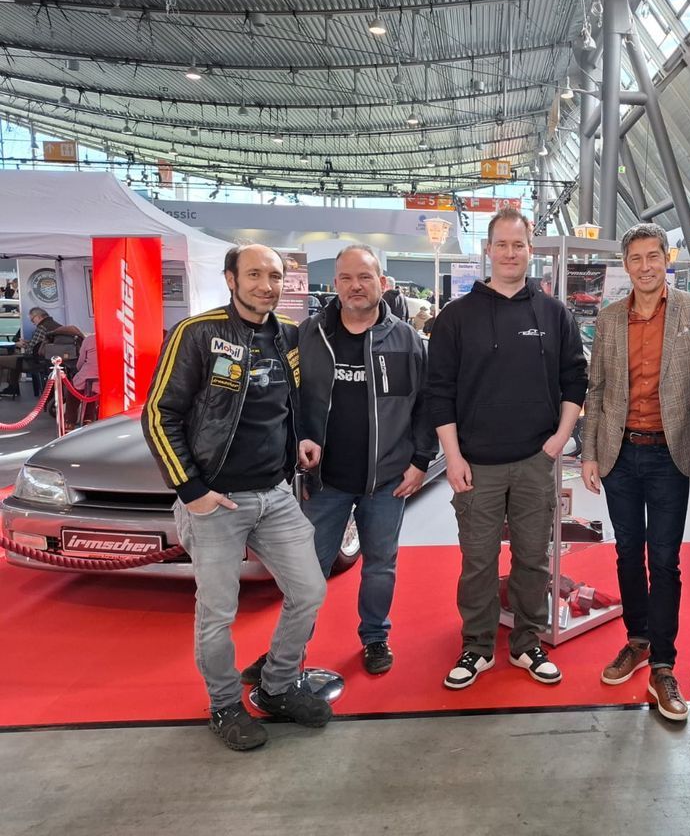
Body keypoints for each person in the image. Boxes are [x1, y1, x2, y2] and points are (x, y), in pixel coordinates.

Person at [143, 244, 330, 752]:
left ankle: (276, 686)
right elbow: (159, 414)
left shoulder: (287, 334)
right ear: (231, 279)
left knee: (309, 591)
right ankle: (224, 704)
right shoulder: (196, 333)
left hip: (275, 494)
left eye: (274, 276)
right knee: (218, 614)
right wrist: (192, 491)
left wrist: (301, 440)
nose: (266, 285)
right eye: (254, 275)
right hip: (216, 501)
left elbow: (288, 402)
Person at [427, 207, 587, 690]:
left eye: (519, 245)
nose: (511, 253)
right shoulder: (456, 317)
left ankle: (526, 642)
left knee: (532, 558)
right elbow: (439, 391)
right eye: (502, 244)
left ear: (530, 250)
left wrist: (558, 440)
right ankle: (477, 646)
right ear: (488, 250)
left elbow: (575, 380)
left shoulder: (555, 314)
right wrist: (453, 456)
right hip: (476, 465)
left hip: (536, 461)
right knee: (477, 561)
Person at [581, 224, 690, 722]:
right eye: (636, 258)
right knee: (626, 552)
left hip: (668, 456)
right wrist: (590, 452)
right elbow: (597, 388)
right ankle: (636, 640)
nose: (645, 266)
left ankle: (663, 664)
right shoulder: (610, 317)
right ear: (626, 264)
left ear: (667, 259)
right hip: (619, 454)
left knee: (664, 561)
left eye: (653, 256)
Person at [295, 245, 437, 674]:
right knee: (308, 571)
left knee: (380, 567)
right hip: (326, 481)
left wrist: (420, 461)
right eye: (346, 278)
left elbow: (426, 405)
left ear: (382, 283)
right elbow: (291, 399)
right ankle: (289, 650)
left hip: (387, 481)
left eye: (365, 277)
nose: (355, 286)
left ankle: (375, 637)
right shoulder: (310, 335)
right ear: (335, 284)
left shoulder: (406, 339)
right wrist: (299, 442)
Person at [0, 307, 61, 394]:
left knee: (3, 360)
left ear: (38, 317)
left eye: (32, 320)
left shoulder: (42, 327)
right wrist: (29, 343)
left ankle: (12, 388)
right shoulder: (56, 325)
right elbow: (40, 345)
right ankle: (12, 387)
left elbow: (30, 351)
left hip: (34, 362)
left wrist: (23, 345)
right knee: (14, 358)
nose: (33, 323)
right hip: (48, 360)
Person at [63, 332, 99, 430]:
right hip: (109, 379)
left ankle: (69, 421)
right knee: (92, 391)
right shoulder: (120, 338)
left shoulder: (90, 339)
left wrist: (79, 369)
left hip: (88, 377)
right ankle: (88, 419)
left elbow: (80, 362)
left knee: (74, 390)